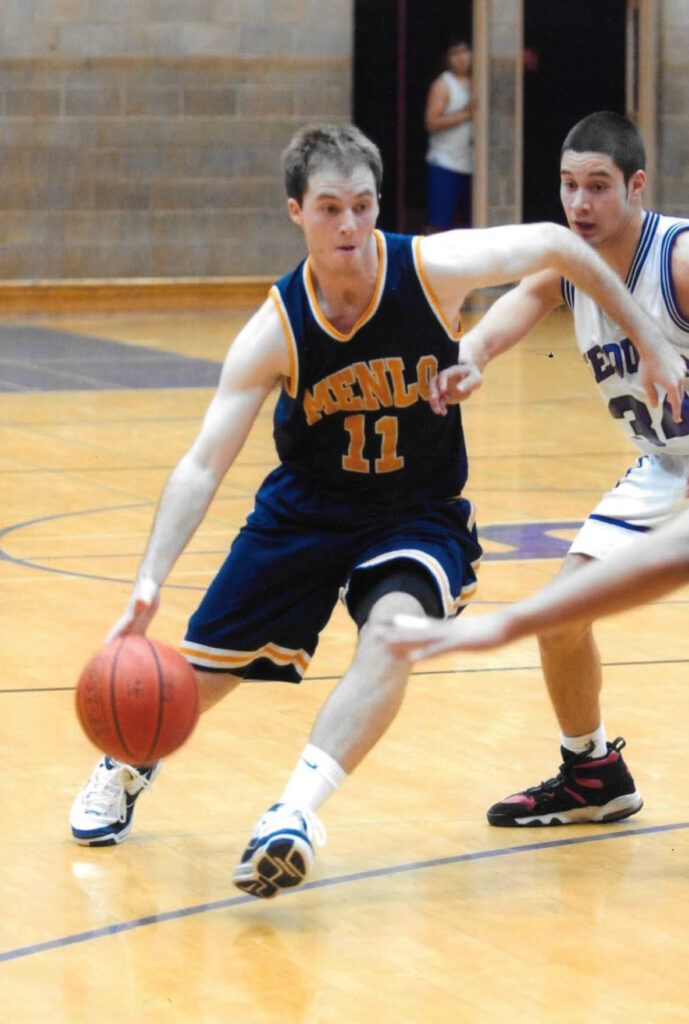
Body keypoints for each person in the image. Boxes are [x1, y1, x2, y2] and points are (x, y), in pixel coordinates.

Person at [69, 122, 685, 899]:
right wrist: (148, 581)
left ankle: (293, 816)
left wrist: (647, 344)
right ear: (296, 211)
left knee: (392, 635)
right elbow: (200, 465)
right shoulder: (275, 328)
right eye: (330, 208)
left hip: (414, 513)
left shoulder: (431, 268)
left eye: (363, 205)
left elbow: (557, 252)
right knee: (195, 674)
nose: (350, 225)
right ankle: (126, 763)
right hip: (306, 513)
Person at [386, 111, 689, 829]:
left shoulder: (675, 260)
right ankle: (592, 772)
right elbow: (508, 311)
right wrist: (468, 358)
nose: (579, 205)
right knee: (561, 618)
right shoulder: (567, 268)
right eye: (567, 186)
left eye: (597, 187)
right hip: (663, 469)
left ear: (636, 186)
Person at [382, 505, 689, 687]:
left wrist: (506, 624)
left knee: (558, 620)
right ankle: (591, 765)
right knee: (559, 625)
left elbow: (677, 551)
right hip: (663, 459)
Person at [424, 39, 474, 231]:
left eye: (464, 52)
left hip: (471, 164)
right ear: (447, 58)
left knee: (472, 224)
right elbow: (431, 122)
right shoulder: (443, 84)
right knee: (439, 224)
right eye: (455, 54)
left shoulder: (477, 80)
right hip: (445, 162)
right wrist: (467, 114)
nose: (461, 58)